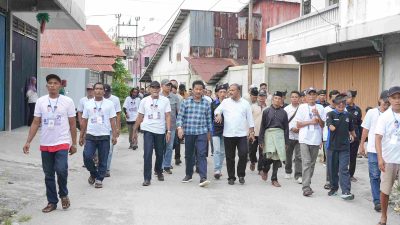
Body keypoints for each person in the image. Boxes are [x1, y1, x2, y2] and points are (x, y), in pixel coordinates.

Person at [23, 74, 77, 213]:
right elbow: (36, 122)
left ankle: (63, 194)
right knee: (48, 174)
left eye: (55, 83)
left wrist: (74, 143)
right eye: (50, 83)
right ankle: (52, 202)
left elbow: (72, 123)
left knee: (61, 170)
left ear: (60, 85)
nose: (52, 85)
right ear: (47, 86)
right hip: (46, 143)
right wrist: (28, 141)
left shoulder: (68, 101)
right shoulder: (41, 101)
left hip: (62, 142)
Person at [132, 81, 171, 186]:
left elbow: (168, 116)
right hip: (148, 130)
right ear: (149, 89)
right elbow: (140, 116)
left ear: (160, 89)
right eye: (153, 87)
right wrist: (134, 130)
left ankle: (158, 170)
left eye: (157, 87)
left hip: (160, 130)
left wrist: (169, 131)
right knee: (147, 154)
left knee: (160, 153)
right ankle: (147, 178)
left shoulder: (165, 101)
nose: (155, 89)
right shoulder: (144, 101)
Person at [215, 84, 255, 185]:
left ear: (238, 91)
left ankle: (241, 175)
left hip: (241, 134)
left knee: (243, 154)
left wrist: (252, 132)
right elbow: (217, 110)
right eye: (229, 90)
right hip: (228, 134)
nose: (230, 92)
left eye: (232, 90)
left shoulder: (245, 103)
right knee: (230, 157)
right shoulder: (225, 102)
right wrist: (219, 114)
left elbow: (250, 119)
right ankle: (231, 177)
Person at [79, 83, 117, 189]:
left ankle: (99, 179)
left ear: (104, 91)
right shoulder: (88, 104)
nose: (99, 91)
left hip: (104, 135)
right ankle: (93, 173)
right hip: (91, 135)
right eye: (96, 89)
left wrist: (114, 135)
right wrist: (81, 135)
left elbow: (112, 120)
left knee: (103, 159)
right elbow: (84, 120)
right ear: (93, 90)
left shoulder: (109, 104)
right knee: (87, 157)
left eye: (101, 89)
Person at [359, 90, 390, 211]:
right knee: (375, 175)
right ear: (380, 100)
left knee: (386, 176)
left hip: (388, 151)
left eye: (389, 101)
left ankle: (384, 197)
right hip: (372, 149)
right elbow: (365, 130)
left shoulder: (393, 114)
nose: (386, 104)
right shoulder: (372, 112)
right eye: (385, 101)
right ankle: (377, 201)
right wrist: (362, 144)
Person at [177, 80, 212, 187]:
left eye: (200, 89)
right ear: (192, 90)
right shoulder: (186, 102)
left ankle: (203, 177)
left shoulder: (206, 103)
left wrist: (209, 133)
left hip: (202, 132)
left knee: (201, 154)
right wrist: (179, 128)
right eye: (196, 89)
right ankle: (188, 174)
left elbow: (208, 119)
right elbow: (180, 117)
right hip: (189, 132)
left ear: (203, 91)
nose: (198, 91)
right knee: (189, 155)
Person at [375, 86, 400, 225]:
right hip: (389, 159)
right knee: (385, 190)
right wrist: (380, 158)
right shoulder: (384, 117)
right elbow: (378, 138)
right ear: (389, 99)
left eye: (399, 97)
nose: (397, 100)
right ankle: (384, 216)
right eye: (394, 98)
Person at [295, 87, 325, 196]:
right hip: (304, 139)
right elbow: (298, 125)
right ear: (306, 97)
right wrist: (310, 122)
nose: (311, 96)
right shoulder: (302, 107)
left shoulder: (321, 108)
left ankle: (307, 181)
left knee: (312, 163)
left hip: (316, 139)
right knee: (306, 162)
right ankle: (306, 187)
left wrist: (317, 115)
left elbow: (322, 124)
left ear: (316, 96)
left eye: (313, 94)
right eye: (309, 95)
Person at [325, 93, 356, 200]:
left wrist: (354, 136)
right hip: (332, 147)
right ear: (335, 104)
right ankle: (334, 188)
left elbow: (351, 129)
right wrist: (331, 126)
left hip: (345, 147)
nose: (341, 105)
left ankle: (346, 191)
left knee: (343, 169)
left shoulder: (348, 116)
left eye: (343, 103)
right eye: (338, 103)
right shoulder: (330, 114)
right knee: (332, 169)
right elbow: (330, 125)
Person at [258, 91, 289, 187]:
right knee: (268, 156)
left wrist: (286, 141)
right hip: (269, 135)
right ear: (272, 99)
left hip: (280, 135)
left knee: (277, 158)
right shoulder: (266, 111)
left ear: (281, 100)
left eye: (279, 98)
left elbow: (286, 128)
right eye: (275, 98)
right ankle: (265, 169)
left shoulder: (284, 112)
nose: (277, 100)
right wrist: (261, 140)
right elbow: (262, 126)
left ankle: (274, 179)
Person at [160, 79, 180, 174]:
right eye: (167, 85)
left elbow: (179, 112)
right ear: (162, 86)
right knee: (160, 146)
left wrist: (179, 126)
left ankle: (167, 165)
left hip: (171, 126)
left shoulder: (175, 98)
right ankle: (159, 166)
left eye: (170, 85)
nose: (169, 87)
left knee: (169, 146)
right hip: (159, 126)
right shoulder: (157, 97)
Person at [322, 90, 340, 190]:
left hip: (340, 139)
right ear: (330, 99)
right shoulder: (326, 110)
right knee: (330, 160)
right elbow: (322, 124)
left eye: (337, 98)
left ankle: (336, 180)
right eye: (333, 99)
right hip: (327, 138)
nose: (335, 101)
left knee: (338, 161)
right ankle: (329, 181)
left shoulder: (343, 110)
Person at [103, 84, 121, 177]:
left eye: (107, 93)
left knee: (109, 150)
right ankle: (100, 165)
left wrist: (117, 128)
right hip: (100, 129)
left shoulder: (115, 99)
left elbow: (118, 114)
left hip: (111, 128)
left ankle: (106, 169)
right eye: (104, 92)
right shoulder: (97, 99)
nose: (105, 94)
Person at [284, 91, 302, 183]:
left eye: (296, 97)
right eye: (292, 97)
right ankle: (288, 171)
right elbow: (284, 122)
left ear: (299, 98)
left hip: (300, 136)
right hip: (290, 135)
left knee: (299, 156)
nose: (294, 98)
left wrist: (299, 128)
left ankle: (298, 175)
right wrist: (291, 128)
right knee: (288, 155)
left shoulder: (303, 108)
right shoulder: (286, 109)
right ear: (290, 98)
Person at [211, 83, 228, 179]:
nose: (222, 94)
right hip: (215, 130)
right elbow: (210, 117)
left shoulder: (229, 104)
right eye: (220, 92)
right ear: (217, 93)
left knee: (222, 152)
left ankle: (219, 169)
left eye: (224, 92)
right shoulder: (213, 104)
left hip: (226, 130)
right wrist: (210, 129)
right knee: (217, 150)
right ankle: (217, 169)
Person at [249, 89, 268, 173]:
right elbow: (248, 120)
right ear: (257, 97)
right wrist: (249, 132)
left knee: (262, 152)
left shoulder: (268, 108)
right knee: (252, 151)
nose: (261, 98)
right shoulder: (252, 107)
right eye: (260, 96)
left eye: (263, 96)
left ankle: (260, 168)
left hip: (263, 134)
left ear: (266, 97)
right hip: (253, 133)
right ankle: (253, 161)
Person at [346, 90, 362, 182]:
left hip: (355, 136)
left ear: (353, 98)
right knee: (344, 156)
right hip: (344, 136)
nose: (348, 99)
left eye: (349, 97)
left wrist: (359, 138)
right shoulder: (343, 108)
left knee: (353, 157)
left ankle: (351, 174)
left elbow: (359, 123)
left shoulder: (357, 109)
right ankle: (342, 173)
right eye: (346, 97)